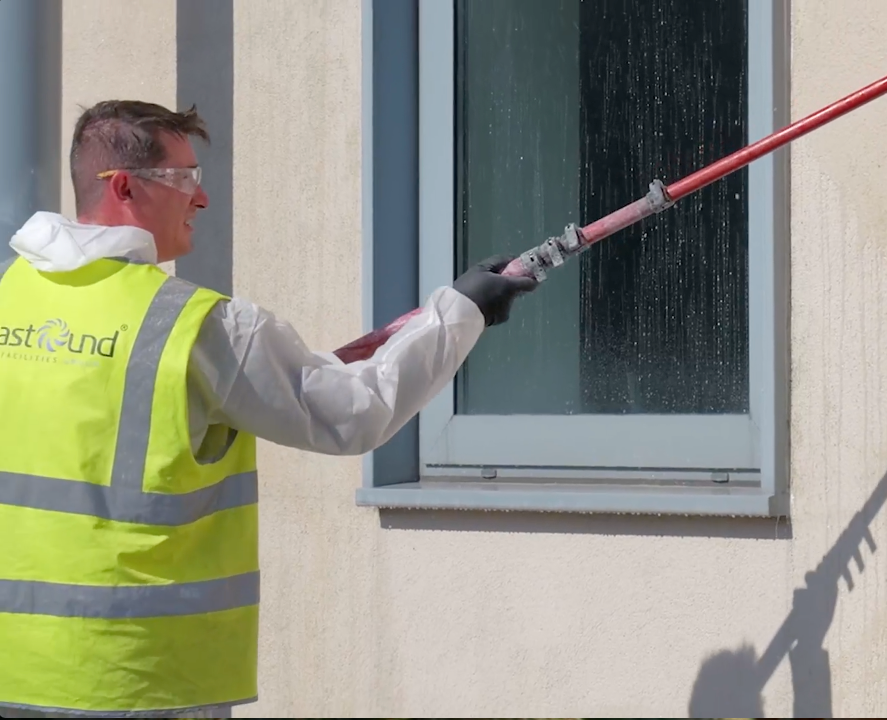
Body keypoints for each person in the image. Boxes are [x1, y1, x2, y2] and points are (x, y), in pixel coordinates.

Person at [0, 100, 537, 718]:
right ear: (123, 186)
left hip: (17, 673)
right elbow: (352, 412)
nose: (201, 198)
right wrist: (462, 313)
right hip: (137, 678)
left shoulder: (12, 297)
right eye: (183, 178)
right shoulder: (195, 326)